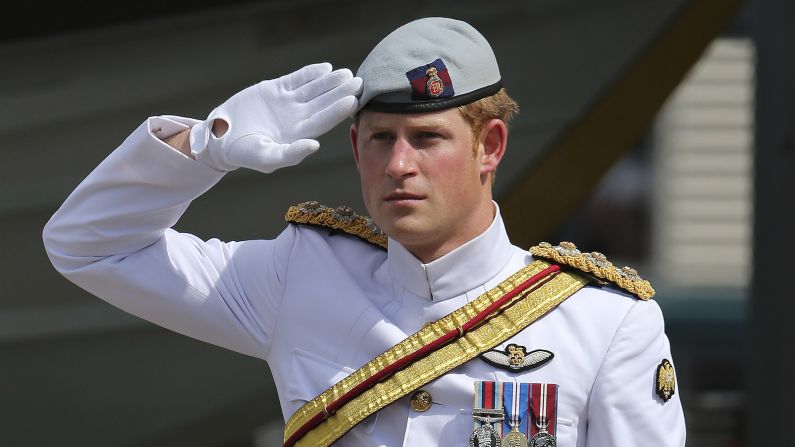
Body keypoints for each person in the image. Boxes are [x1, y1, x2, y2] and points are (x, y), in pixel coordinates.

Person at [43, 17, 685, 447]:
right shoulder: (299, 275)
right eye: (381, 139)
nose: (398, 165)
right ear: (355, 147)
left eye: (428, 138)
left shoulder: (604, 324)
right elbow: (88, 244)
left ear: (489, 146)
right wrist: (204, 145)